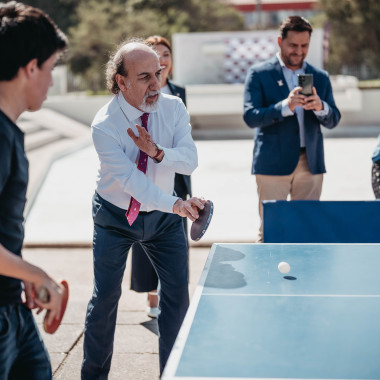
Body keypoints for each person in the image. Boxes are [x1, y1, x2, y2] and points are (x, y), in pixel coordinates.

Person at [81, 39, 205, 378]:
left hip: (164, 220)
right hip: (114, 216)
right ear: (121, 82)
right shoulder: (104, 124)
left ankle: (174, 373)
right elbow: (132, 184)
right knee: (105, 299)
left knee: (177, 298)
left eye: (159, 73)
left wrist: (158, 153)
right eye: (144, 77)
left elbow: (190, 162)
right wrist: (178, 204)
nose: (156, 84)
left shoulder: (174, 107)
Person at [0, 2, 68, 379]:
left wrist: (21, 273)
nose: (52, 79)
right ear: (30, 68)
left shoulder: (8, 131)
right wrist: (37, 274)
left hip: (13, 309)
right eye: (51, 67)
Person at [243, 16, 341, 242]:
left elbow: (334, 119)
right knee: (271, 231)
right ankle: (268, 278)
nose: (299, 51)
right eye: (293, 45)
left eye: (304, 46)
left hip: (311, 163)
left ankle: (306, 277)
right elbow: (250, 117)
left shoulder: (320, 77)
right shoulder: (259, 74)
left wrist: (320, 107)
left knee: (308, 229)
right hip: (271, 163)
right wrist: (285, 107)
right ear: (280, 41)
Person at [130, 35, 191, 318]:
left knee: (174, 236)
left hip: (174, 171)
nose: (162, 58)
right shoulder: (131, 96)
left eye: (166, 53)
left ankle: (172, 293)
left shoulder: (178, 95)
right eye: (156, 54)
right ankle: (152, 295)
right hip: (147, 174)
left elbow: (184, 141)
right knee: (146, 235)